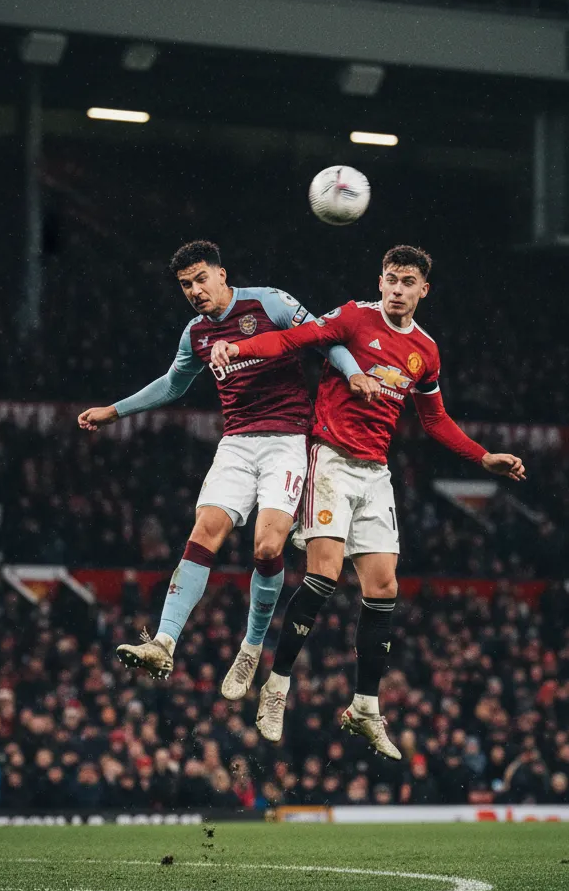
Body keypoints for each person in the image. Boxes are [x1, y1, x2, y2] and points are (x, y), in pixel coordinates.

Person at [211, 245, 525, 757]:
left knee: (383, 588)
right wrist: (239, 349)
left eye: (409, 283)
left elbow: (434, 419)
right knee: (325, 574)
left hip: (374, 473)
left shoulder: (426, 350)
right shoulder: (355, 318)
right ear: (380, 281)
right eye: (392, 280)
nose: (398, 290)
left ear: (425, 290)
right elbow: (295, 339)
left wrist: (482, 456)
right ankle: (276, 686)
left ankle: (364, 707)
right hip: (328, 459)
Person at [78, 240, 376, 698]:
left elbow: (323, 337)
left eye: (201, 279)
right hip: (236, 443)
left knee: (266, 547)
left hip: (287, 440)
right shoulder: (196, 334)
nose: (195, 291)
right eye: (185, 285)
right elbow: (172, 386)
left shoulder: (269, 302)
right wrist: (114, 411)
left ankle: (252, 646)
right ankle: (163, 641)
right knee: (205, 531)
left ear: (221, 274)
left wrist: (354, 372)